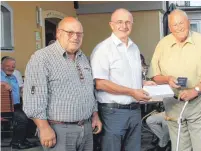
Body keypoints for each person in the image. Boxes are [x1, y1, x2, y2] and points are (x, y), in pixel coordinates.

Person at [148, 9, 201, 151]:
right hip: (173, 105)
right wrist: (167, 79)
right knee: (180, 148)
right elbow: (154, 76)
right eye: (174, 25)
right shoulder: (162, 45)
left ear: (188, 22)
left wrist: (195, 90)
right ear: (170, 28)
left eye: (181, 23)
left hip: (199, 103)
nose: (179, 27)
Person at [23, 17, 102, 151]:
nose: (75, 37)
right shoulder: (42, 58)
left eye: (79, 34)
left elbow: (90, 90)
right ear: (58, 33)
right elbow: (34, 99)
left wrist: (95, 116)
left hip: (87, 128)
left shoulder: (83, 58)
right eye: (70, 32)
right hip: (58, 130)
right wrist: (43, 127)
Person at [90, 8, 155, 151]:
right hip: (113, 113)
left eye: (127, 22)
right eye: (119, 22)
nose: (124, 26)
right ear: (111, 25)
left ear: (132, 24)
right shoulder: (103, 49)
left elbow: (128, 77)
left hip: (135, 111)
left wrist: (143, 84)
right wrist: (132, 92)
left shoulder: (134, 49)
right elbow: (100, 83)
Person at [1, 57, 36, 149]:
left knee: (31, 115)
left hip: (16, 105)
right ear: (2, 65)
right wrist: (3, 84)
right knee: (22, 119)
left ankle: (23, 139)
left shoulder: (13, 77)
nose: (11, 68)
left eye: (13, 66)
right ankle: (16, 143)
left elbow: (19, 90)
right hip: (4, 108)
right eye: (8, 66)